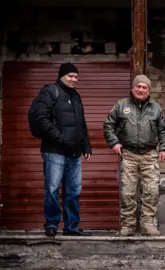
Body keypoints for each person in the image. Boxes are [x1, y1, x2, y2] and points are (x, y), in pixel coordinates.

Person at [103, 74, 165, 236]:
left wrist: (164, 148)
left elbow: (164, 130)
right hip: (129, 154)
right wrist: (114, 142)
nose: (141, 90)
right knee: (128, 191)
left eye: (144, 87)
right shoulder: (121, 105)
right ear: (132, 88)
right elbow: (108, 125)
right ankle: (128, 225)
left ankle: (148, 224)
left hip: (150, 155)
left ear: (149, 90)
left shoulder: (156, 108)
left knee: (151, 191)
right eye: (138, 86)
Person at [31, 62, 92, 237]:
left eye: (76, 77)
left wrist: (86, 145)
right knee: (52, 189)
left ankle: (71, 227)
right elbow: (42, 119)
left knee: (73, 191)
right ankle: (51, 224)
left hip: (74, 153)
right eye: (70, 76)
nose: (74, 80)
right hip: (54, 151)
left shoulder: (76, 96)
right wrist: (61, 139)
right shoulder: (50, 92)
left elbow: (82, 124)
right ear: (61, 76)